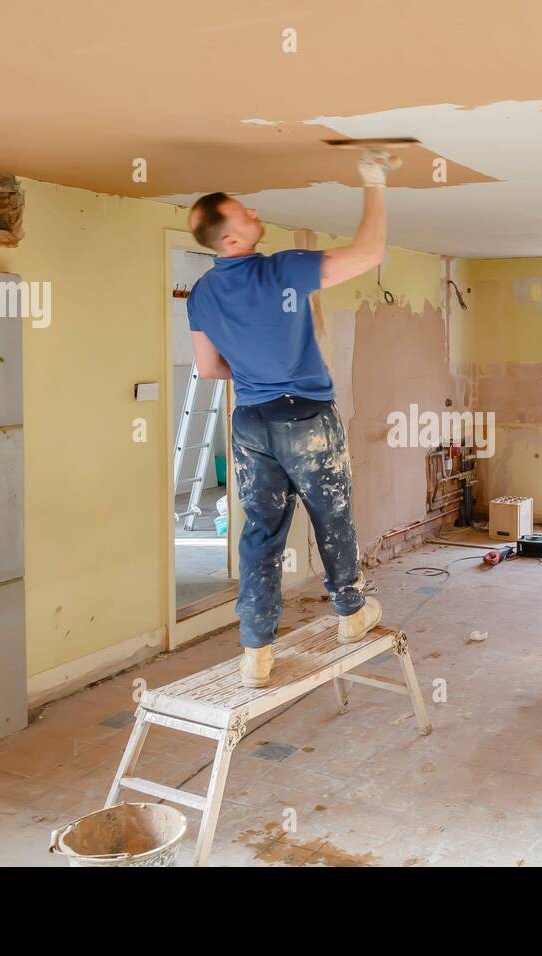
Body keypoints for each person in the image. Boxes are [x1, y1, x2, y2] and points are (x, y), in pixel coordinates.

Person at [185, 149, 399, 687]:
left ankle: (256, 651)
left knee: (261, 532)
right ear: (231, 240)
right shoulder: (282, 269)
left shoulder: (203, 292)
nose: (255, 212)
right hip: (305, 416)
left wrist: (257, 370)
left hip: (251, 422)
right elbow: (371, 252)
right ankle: (351, 614)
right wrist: (374, 182)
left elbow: (209, 367)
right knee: (331, 516)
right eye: (244, 213)